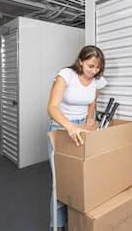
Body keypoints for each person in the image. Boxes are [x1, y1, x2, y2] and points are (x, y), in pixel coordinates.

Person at [46, 45, 107, 230]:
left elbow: (92, 100)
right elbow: (52, 107)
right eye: (90, 66)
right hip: (62, 127)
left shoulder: (97, 79)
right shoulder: (66, 75)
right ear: (80, 61)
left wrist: (90, 116)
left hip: (83, 127)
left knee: (83, 177)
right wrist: (70, 126)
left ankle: (77, 223)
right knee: (62, 181)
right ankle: (57, 225)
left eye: (98, 68)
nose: (94, 71)